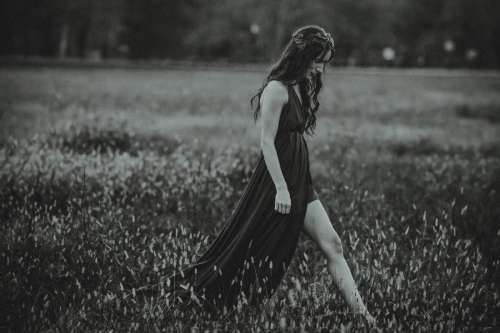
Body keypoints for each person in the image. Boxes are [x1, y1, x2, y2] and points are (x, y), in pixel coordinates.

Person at [166, 25, 376, 327]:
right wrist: (280, 189)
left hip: (300, 181)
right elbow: (266, 141)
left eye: (325, 62)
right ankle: (231, 307)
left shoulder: (302, 86)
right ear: (302, 56)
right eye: (318, 60)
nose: (321, 68)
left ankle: (364, 317)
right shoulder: (276, 90)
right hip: (277, 184)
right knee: (257, 250)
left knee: (333, 245)